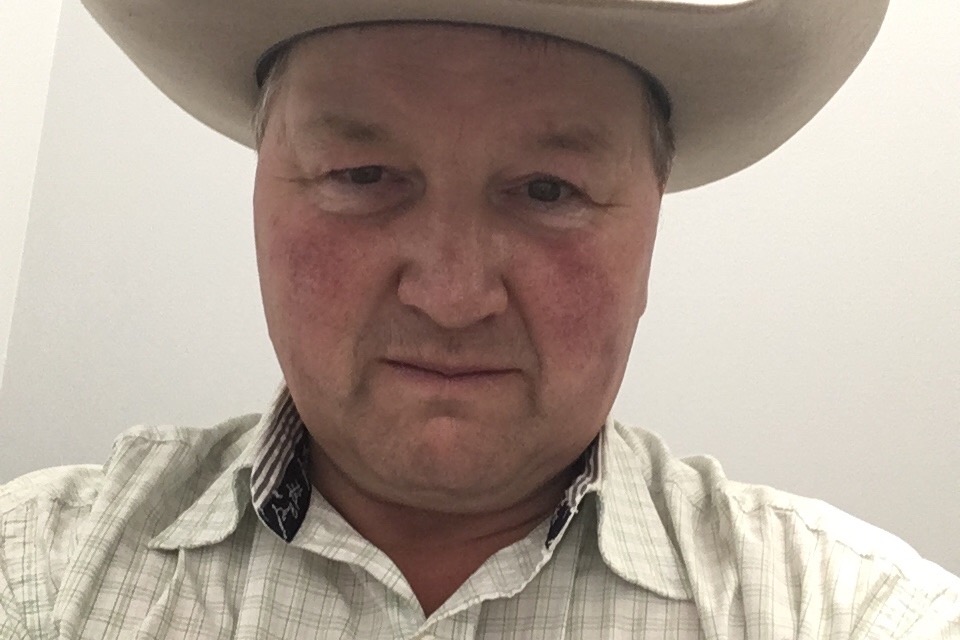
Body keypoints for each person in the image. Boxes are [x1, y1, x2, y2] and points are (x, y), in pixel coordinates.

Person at [2, 0, 958, 638]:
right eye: (363, 176)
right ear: (260, 193)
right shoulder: (40, 575)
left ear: (652, 223)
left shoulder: (844, 613)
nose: (453, 295)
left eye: (548, 190)